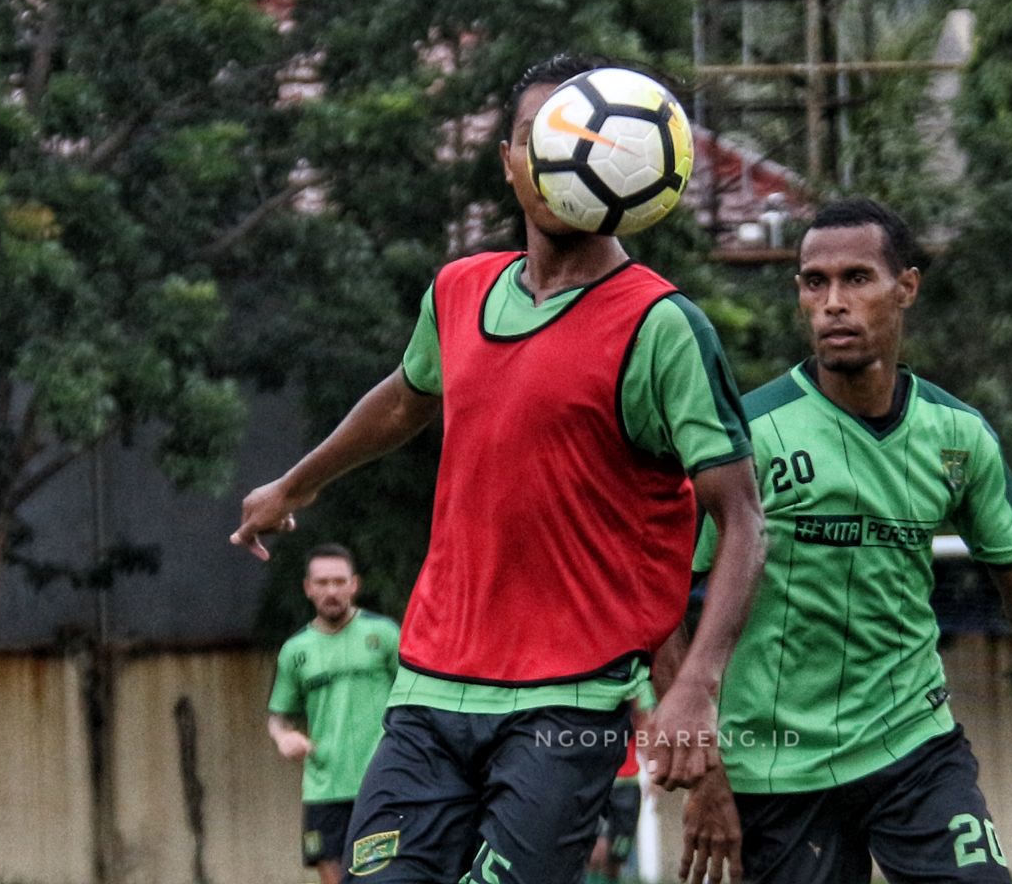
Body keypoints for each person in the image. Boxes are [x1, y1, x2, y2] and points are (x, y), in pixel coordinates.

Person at [232, 53, 765, 884]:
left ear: (628, 157)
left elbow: (742, 519)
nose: (560, 157)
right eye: (538, 137)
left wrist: (696, 683)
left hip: (570, 701)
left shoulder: (662, 327)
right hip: (431, 691)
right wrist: (296, 484)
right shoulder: (458, 290)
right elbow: (408, 399)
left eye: (581, 136)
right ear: (511, 161)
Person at [676, 198, 1012, 884]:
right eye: (814, 282)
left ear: (905, 288)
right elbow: (664, 601)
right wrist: (703, 768)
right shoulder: (750, 440)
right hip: (776, 764)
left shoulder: (958, 436)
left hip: (914, 747)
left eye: (857, 278)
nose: (832, 303)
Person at [267, 544, 401, 884]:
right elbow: (279, 716)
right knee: (334, 878)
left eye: (339, 581)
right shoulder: (296, 651)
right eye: (322, 582)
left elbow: (415, 699)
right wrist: (284, 737)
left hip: (380, 783)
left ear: (354, 585)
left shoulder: (384, 635)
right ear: (308, 588)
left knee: (380, 877)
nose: (331, 591)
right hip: (324, 788)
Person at [585, 716, 644, 884]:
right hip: (599, 783)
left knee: (615, 858)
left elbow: (646, 728)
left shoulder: (635, 697)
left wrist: (654, 766)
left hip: (628, 786)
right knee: (596, 852)